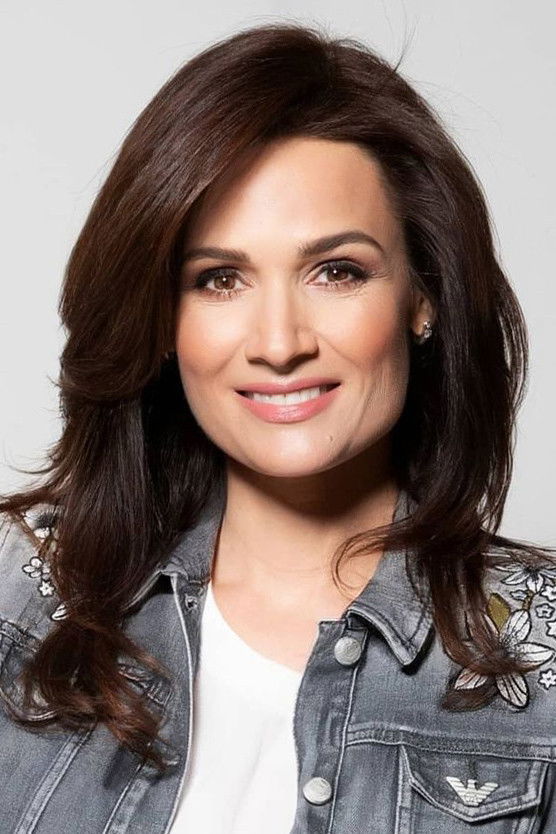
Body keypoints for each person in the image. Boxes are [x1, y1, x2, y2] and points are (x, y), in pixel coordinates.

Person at [0, 20, 555, 834]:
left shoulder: (542, 664)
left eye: (337, 271)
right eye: (220, 279)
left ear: (423, 297)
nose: (280, 342)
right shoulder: (21, 594)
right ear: (162, 321)